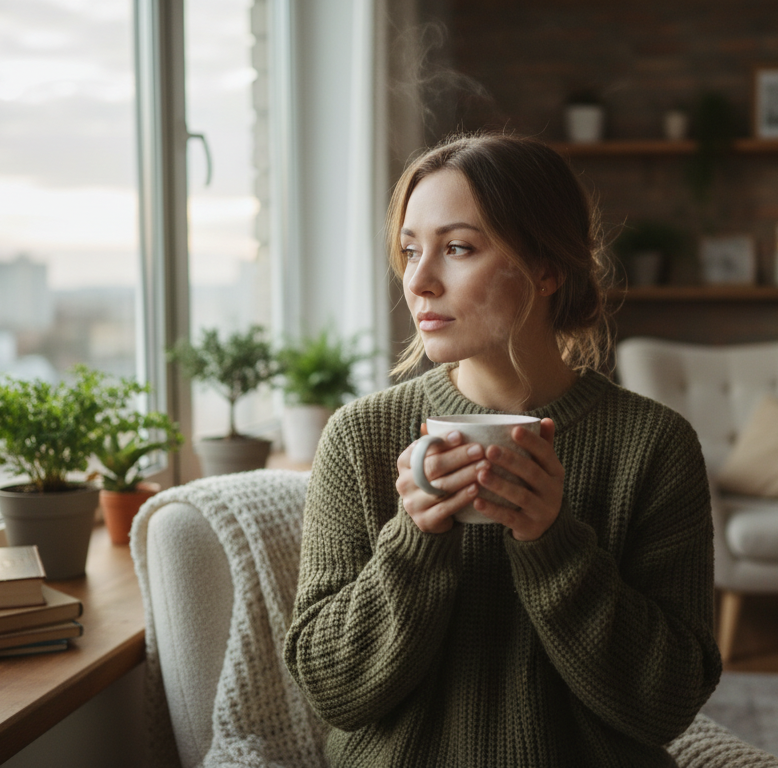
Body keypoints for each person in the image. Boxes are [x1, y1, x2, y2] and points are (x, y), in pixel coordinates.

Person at [282, 132, 721, 767]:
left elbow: (667, 703)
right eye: (410, 251)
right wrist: (414, 541)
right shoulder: (361, 437)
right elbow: (332, 690)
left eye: (457, 248)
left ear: (547, 268)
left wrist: (554, 543)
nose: (420, 281)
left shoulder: (653, 445)